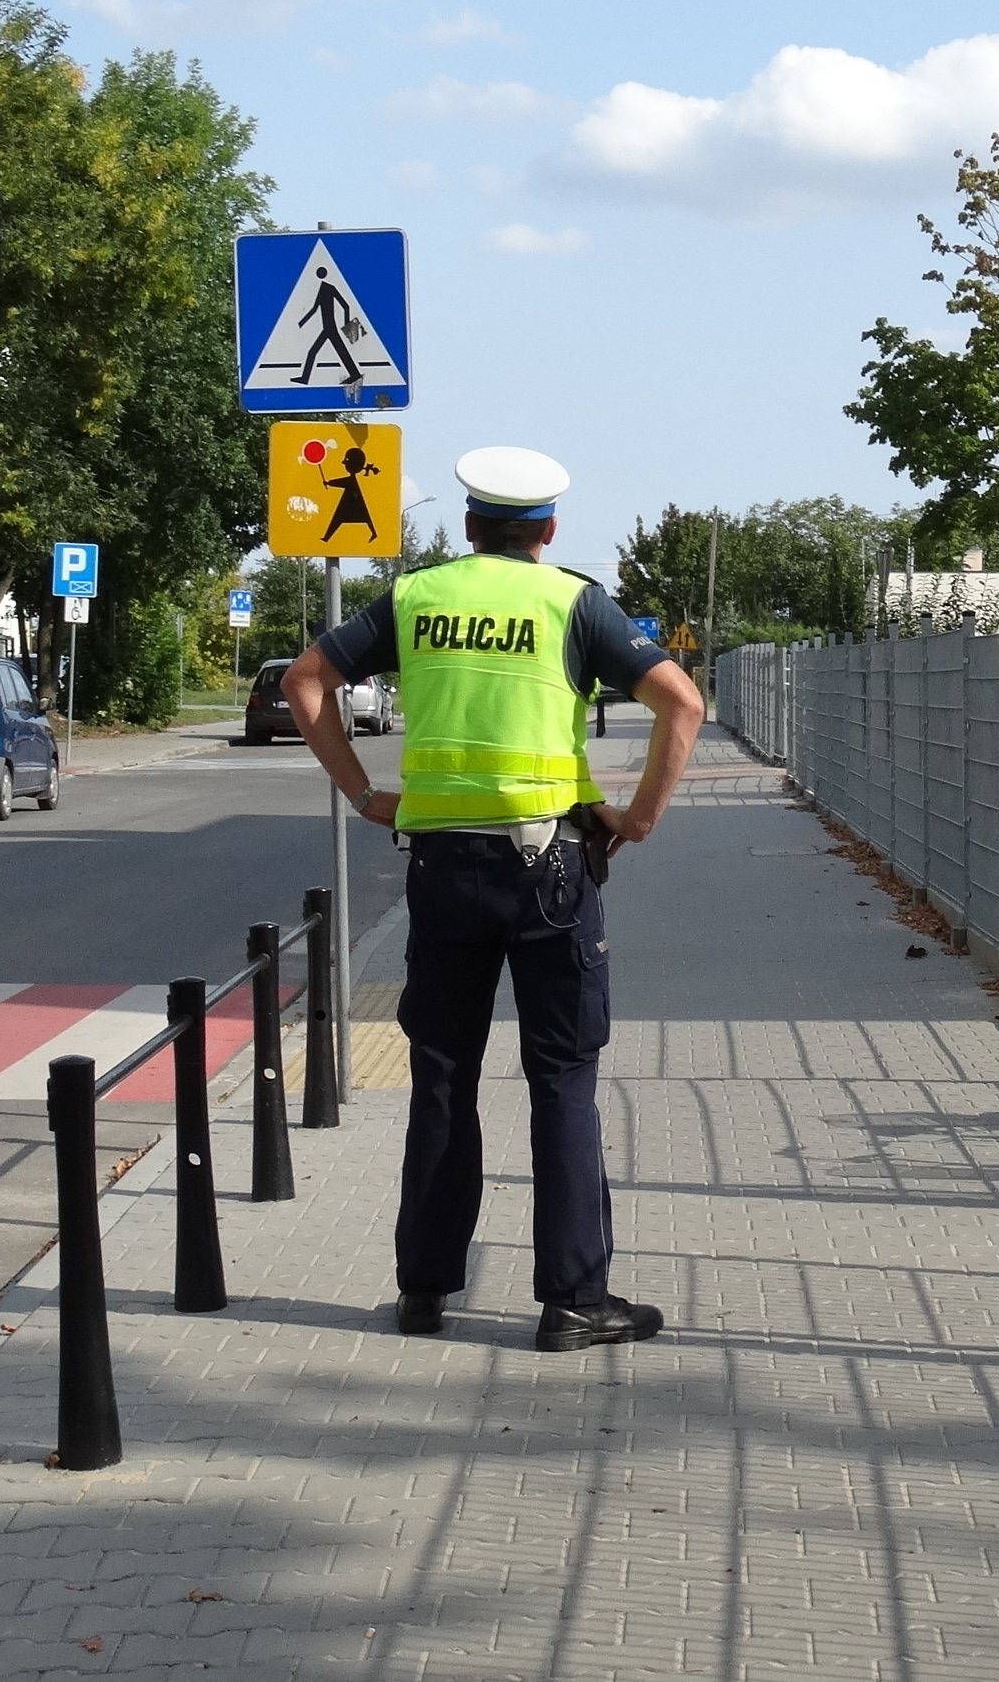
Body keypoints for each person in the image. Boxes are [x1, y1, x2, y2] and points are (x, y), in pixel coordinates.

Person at [280, 445, 703, 1353]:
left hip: (440, 871)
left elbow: (303, 681)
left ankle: (426, 1290)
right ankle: (574, 1300)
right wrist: (636, 820)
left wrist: (363, 792)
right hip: (551, 870)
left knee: (441, 1075)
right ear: (546, 531)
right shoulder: (574, 602)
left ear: (470, 526)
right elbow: (683, 704)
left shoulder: (417, 599)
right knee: (562, 1079)